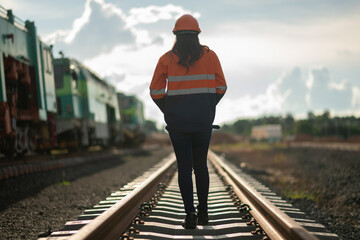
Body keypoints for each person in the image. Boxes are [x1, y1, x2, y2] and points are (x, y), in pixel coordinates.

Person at [149, 14, 227, 229]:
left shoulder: (166, 59)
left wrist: (170, 110)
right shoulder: (211, 56)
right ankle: (204, 213)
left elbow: (155, 91)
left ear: (176, 35)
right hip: (203, 121)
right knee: (200, 165)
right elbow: (221, 87)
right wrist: (208, 106)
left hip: (178, 124)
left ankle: (190, 215)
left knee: (184, 167)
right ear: (197, 35)